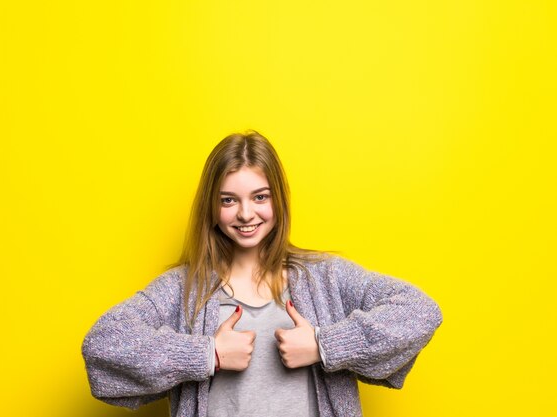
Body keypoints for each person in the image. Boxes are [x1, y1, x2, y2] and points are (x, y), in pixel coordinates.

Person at [81, 130, 443, 417]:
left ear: (277, 200)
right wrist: (208, 354)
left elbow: (420, 310)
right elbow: (103, 344)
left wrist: (323, 344)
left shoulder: (325, 278)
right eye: (228, 200)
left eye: (259, 197)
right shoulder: (182, 290)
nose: (245, 213)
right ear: (212, 207)